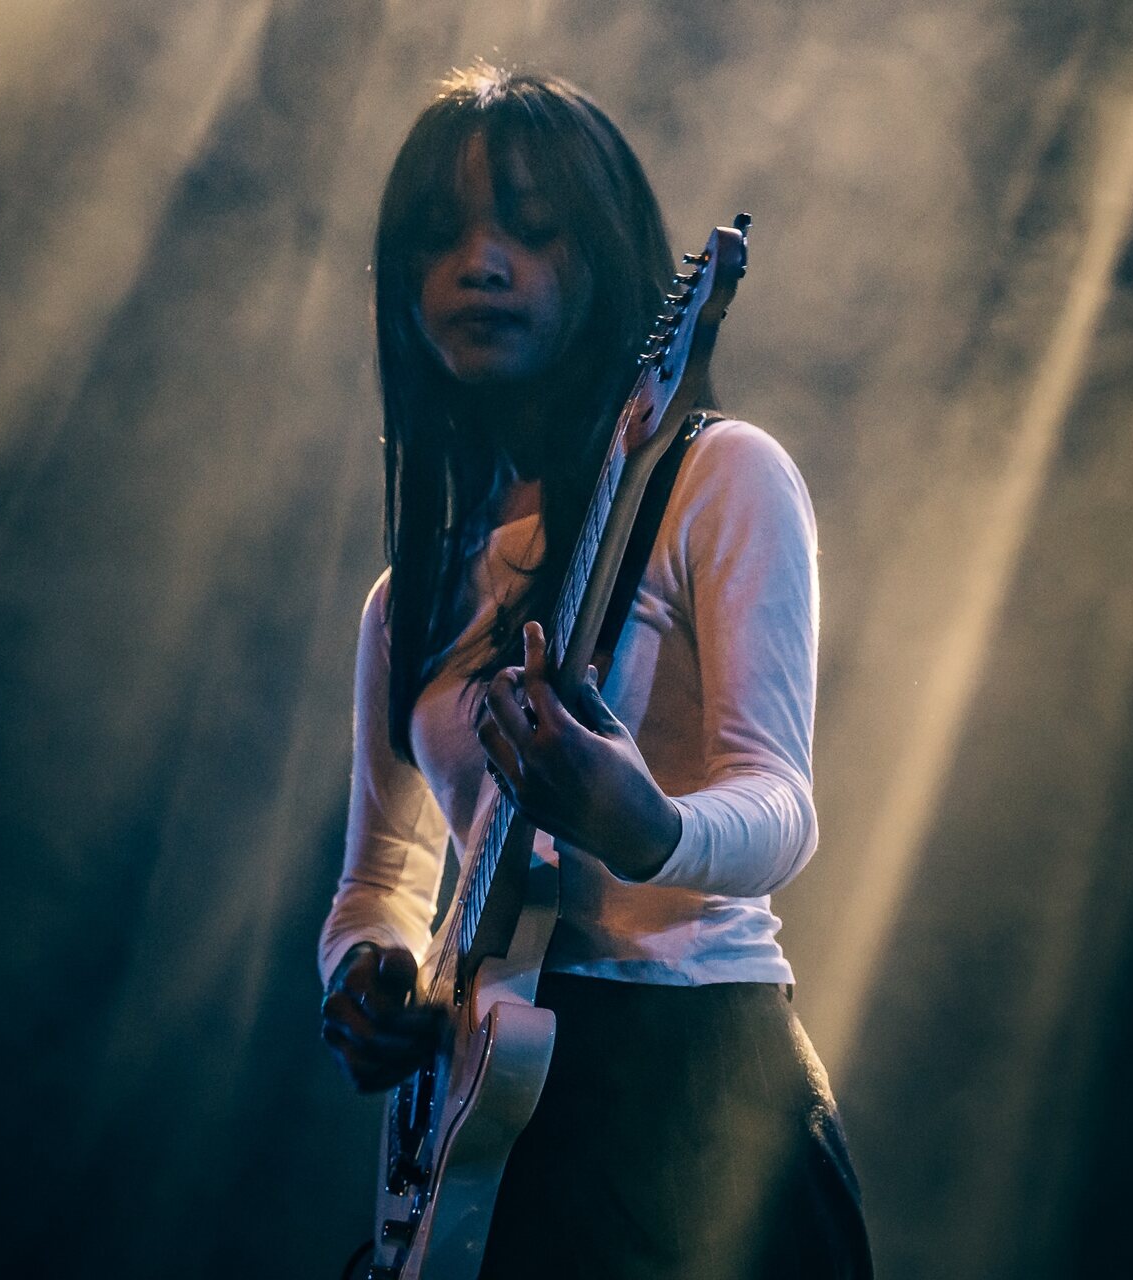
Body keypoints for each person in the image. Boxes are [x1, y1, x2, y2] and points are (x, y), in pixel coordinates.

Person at [317, 65, 871, 1279]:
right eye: (440, 236)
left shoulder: (720, 477)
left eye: (529, 227)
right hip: (491, 1115)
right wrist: (364, 972)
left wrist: (648, 825)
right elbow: (382, 877)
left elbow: (781, 805)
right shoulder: (409, 597)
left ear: (607, 254)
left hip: (697, 1093)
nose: (479, 263)